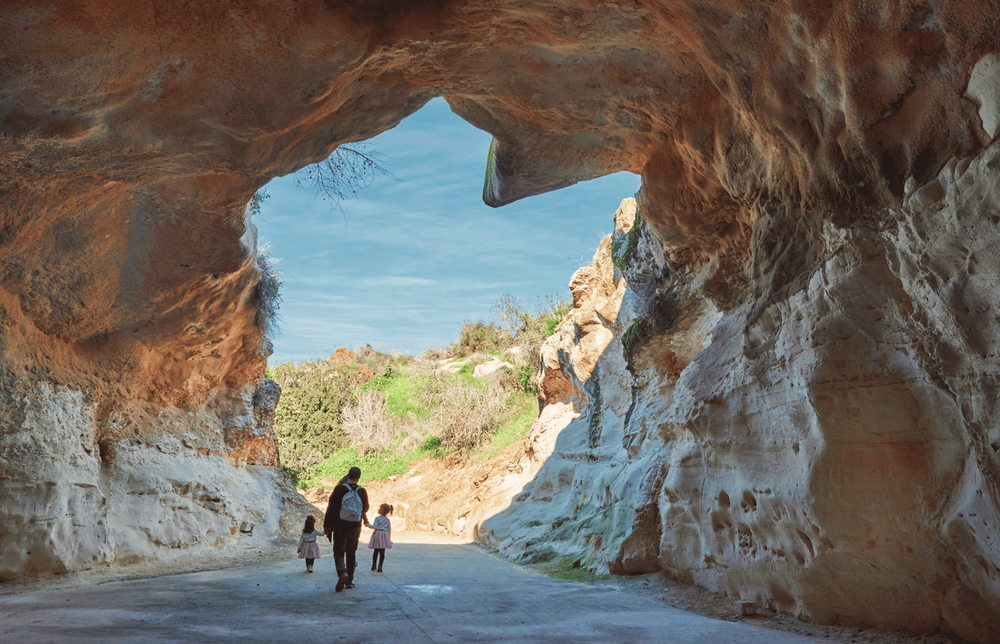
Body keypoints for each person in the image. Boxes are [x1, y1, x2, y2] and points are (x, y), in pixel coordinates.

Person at [323, 466, 369, 592]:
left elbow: (331, 508)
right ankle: (350, 581)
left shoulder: (339, 489)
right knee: (351, 553)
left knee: (338, 552)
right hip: (355, 526)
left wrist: (326, 525)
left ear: (348, 475)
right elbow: (365, 509)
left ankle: (342, 573)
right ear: (359, 478)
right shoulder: (362, 491)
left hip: (340, 526)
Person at [366, 503, 393, 572]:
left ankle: (374, 565)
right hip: (384, 535)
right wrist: (389, 539)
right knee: (382, 551)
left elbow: (375, 526)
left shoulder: (377, 518)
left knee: (376, 551)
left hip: (378, 534)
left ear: (382, 510)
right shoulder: (387, 520)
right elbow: (389, 530)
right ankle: (380, 566)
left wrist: (368, 524)